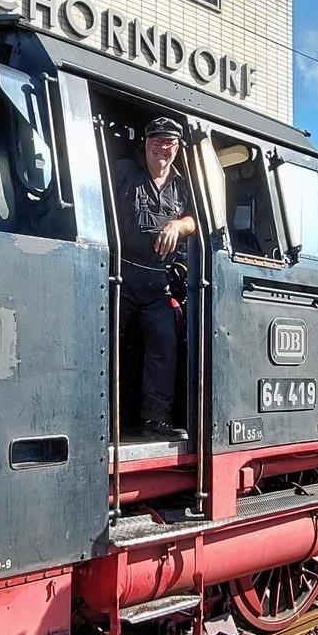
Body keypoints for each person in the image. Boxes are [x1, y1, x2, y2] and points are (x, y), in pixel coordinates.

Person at [112, 116, 197, 441]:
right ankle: (101, 416)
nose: (163, 147)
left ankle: (155, 420)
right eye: (157, 141)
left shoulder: (183, 186)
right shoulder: (123, 173)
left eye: (169, 143)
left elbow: (197, 220)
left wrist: (178, 225)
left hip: (157, 280)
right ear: (146, 143)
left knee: (164, 343)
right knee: (108, 344)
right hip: (120, 271)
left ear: (176, 148)